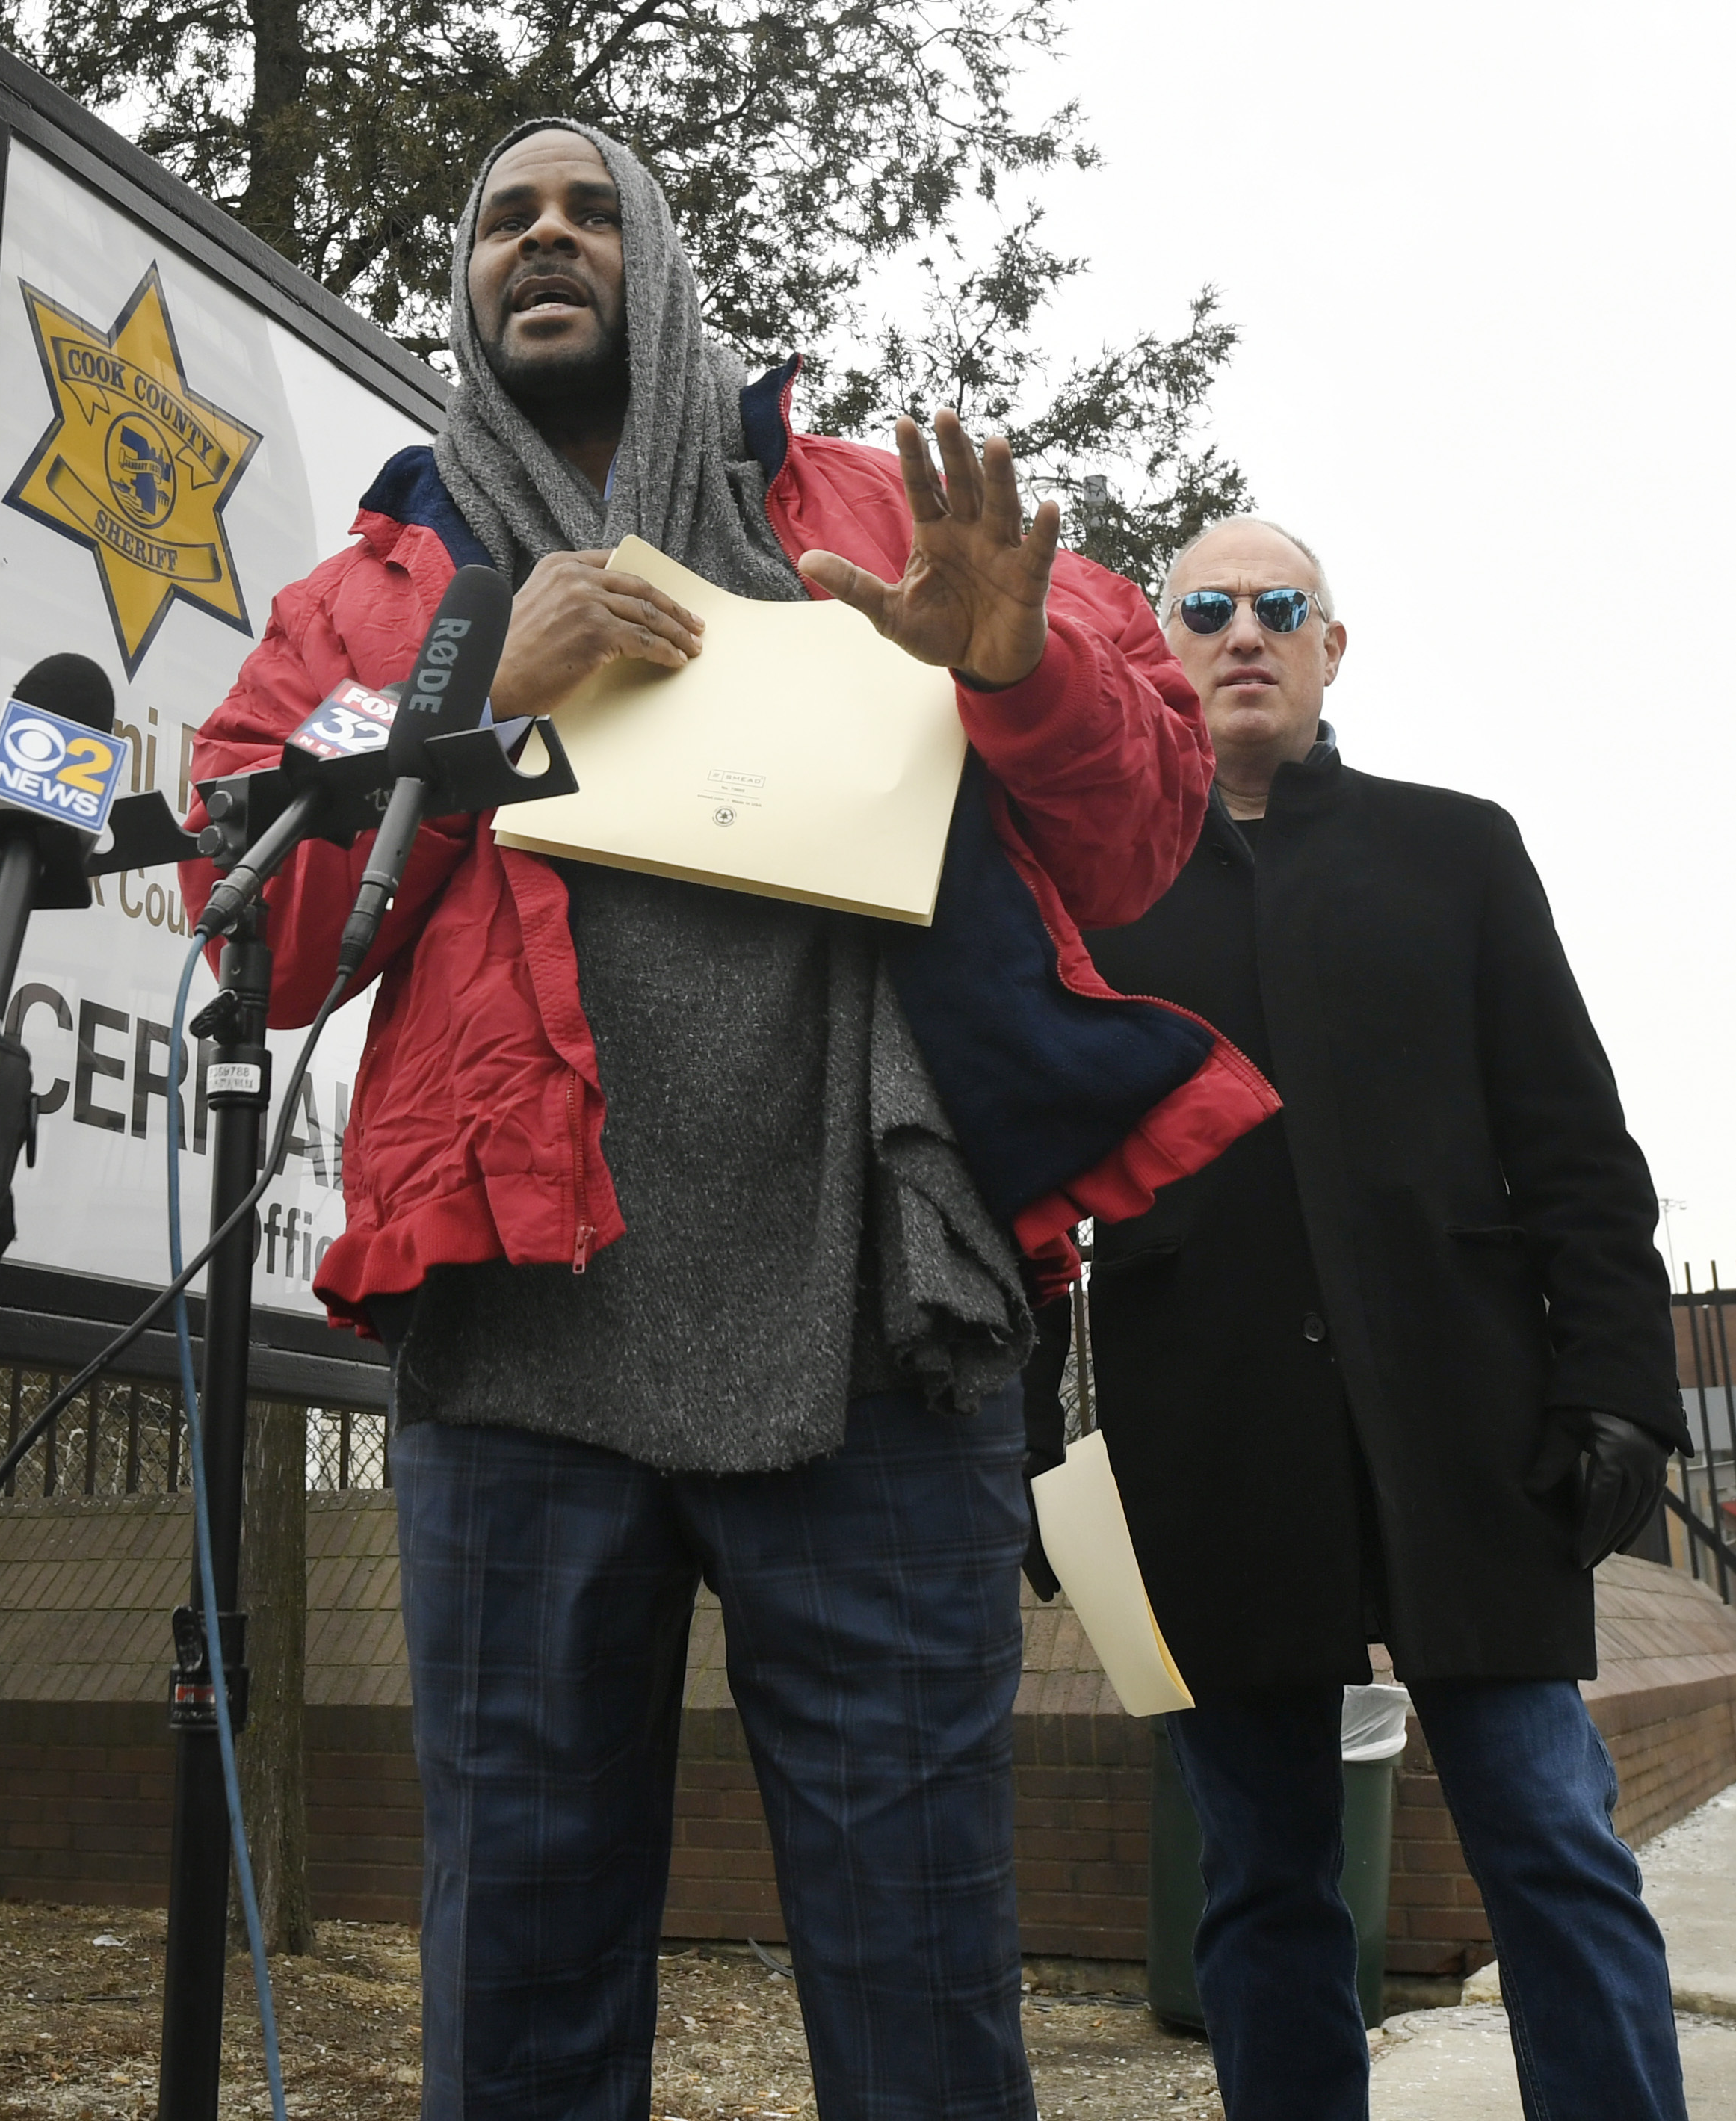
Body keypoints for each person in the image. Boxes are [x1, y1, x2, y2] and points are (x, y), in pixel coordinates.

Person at [182, 120, 1270, 2121]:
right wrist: (476, 700)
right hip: (514, 1345)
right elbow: (251, 925)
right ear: (467, 284)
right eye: (507, 213)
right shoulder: (379, 587)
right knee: (514, 1982)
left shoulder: (868, 504)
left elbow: (1138, 839)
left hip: (871, 1335)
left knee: (922, 1981)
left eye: (592, 209)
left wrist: (1018, 673)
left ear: (662, 263)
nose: (548, 237)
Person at [1072, 515, 1690, 2120]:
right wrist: (1028, 1449)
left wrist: (1620, 1387)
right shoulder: (1098, 899)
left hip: (1474, 1437)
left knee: (1552, 1841)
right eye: (1205, 607)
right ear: (1163, 648)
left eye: (1284, 605)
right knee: (1264, 1880)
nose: (1245, 631)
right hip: (1210, 1445)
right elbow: (1031, 1190)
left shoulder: (1457, 851)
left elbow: (1579, 1150)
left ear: (1334, 647)